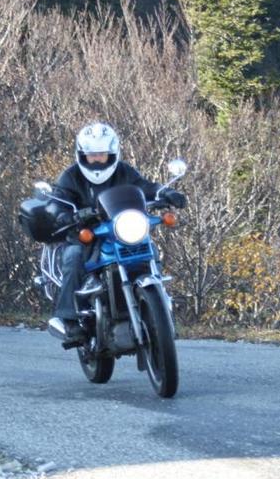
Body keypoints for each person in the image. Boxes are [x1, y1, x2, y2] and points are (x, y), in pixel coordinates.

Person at [48, 122, 186, 342]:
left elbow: (144, 186)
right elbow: (58, 200)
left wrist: (165, 192)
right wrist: (62, 215)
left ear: (113, 154)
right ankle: (68, 319)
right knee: (73, 256)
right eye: (91, 155)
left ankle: (159, 304)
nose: (96, 160)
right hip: (86, 235)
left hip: (119, 231)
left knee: (149, 248)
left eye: (102, 155)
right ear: (81, 154)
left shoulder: (124, 171)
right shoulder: (71, 176)